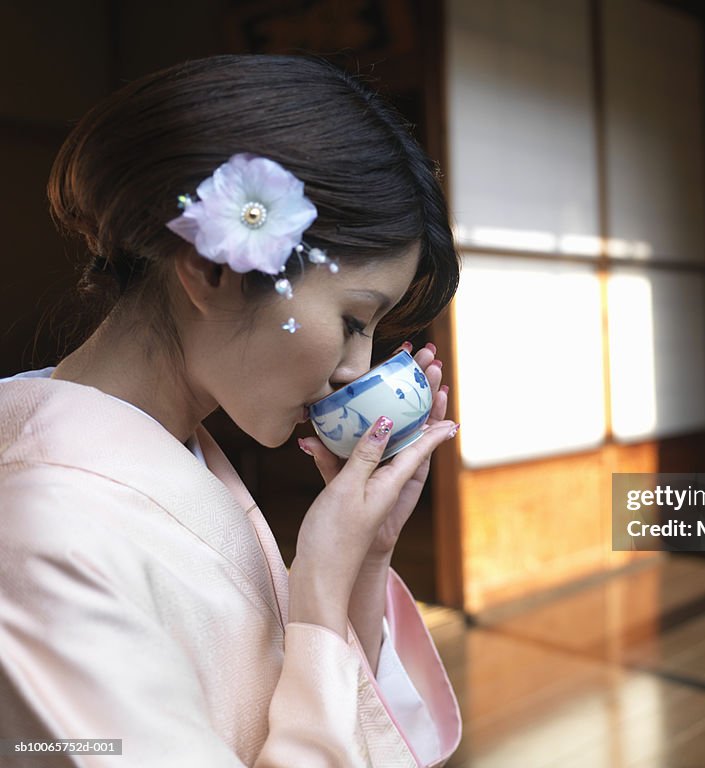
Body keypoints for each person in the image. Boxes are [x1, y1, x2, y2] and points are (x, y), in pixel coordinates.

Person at [0, 54, 462, 767]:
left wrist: (363, 562)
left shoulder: (175, 451)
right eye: (352, 320)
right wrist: (315, 599)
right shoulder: (39, 536)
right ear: (212, 271)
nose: (357, 371)